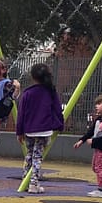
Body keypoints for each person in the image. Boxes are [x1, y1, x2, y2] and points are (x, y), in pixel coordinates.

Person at [16, 63, 65, 195]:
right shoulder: (50, 91)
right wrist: (60, 124)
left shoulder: (27, 93)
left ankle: (25, 180)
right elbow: (57, 109)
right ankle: (33, 183)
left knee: (29, 155)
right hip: (44, 129)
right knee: (37, 156)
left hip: (29, 129)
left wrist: (19, 132)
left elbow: (21, 114)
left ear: (32, 76)